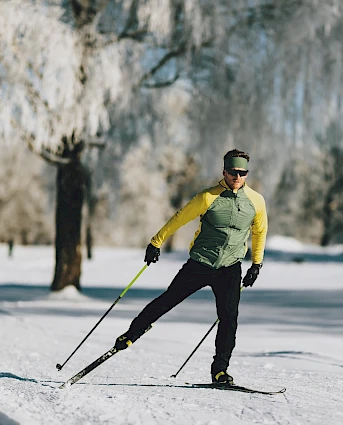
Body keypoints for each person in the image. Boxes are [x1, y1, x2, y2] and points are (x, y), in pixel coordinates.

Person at [114, 149, 268, 385]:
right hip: (200, 263)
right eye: (233, 172)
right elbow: (179, 218)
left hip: (230, 268)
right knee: (169, 300)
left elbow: (259, 232)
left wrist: (256, 264)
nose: (237, 177)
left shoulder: (256, 201)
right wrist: (156, 242)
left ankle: (220, 371)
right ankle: (131, 334)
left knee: (229, 319)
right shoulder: (207, 197)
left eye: (243, 172)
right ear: (224, 171)